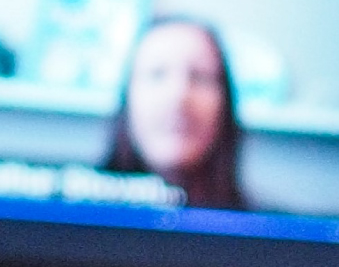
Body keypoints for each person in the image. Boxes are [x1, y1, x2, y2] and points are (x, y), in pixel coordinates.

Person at [102, 15, 245, 209]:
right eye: (157, 73)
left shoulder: (271, 231)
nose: (178, 96)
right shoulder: (69, 214)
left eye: (200, 76)